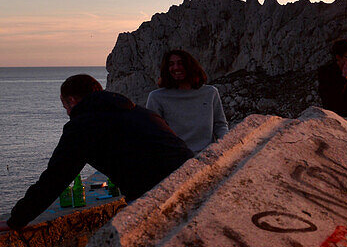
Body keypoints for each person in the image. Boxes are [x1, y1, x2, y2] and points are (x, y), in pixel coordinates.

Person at [1, 75, 194, 232]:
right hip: (192, 181)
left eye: (65, 107)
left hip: (158, 198)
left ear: (72, 101)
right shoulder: (139, 112)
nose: (67, 113)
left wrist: (16, 220)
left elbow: (56, 178)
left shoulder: (83, 124)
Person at [145, 49, 228, 153]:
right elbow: (153, 133)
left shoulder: (210, 93)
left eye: (181, 63)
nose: (176, 67)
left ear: (190, 66)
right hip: (175, 159)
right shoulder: (156, 97)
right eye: (171, 64)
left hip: (207, 156)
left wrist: (225, 147)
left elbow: (220, 125)